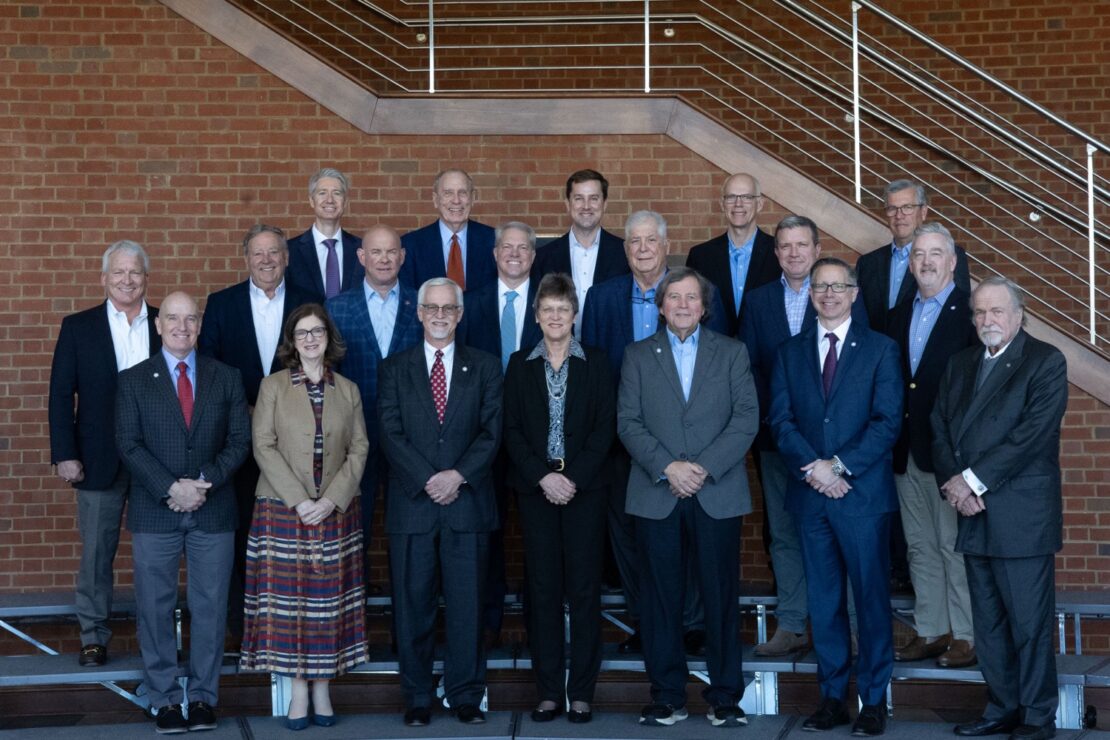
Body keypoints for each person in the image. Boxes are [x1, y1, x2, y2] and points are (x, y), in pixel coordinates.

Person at [581, 210, 727, 656]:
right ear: (625, 250)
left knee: (690, 535)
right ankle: (648, 622)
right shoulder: (602, 297)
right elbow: (592, 366)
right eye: (634, 242)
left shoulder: (698, 292)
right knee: (630, 537)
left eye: (651, 241)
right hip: (625, 439)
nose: (643, 249)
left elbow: (716, 367)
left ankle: (693, 624)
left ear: (666, 246)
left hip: (689, 446)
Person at [618, 266, 758, 728]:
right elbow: (628, 423)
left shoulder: (732, 352)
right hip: (657, 490)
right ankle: (668, 695)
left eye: (691, 298)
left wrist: (701, 469)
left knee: (720, 596)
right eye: (673, 297)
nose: (682, 305)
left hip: (715, 489)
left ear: (704, 306)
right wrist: (668, 468)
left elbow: (745, 420)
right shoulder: (637, 355)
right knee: (660, 598)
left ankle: (725, 698)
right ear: (660, 306)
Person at [769, 258, 902, 736]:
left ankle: (872, 701)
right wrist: (815, 470)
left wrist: (838, 466)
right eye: (820, 287)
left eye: (837, 286)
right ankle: (832, 698)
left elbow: (888, 421)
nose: (828, 294)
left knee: (868, 600)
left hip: (861, 495)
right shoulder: (790, 351)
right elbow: (781, 421)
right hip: (812, 496)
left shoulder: (881, 350)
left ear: (853, 293)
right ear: (810, 295)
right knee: (823, 604)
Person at [933, 277, 1068, 740]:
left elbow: (1029, 436)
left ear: (1018, 315)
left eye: (996, 312)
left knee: (1029, 624)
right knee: (988, 623)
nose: (986, 320)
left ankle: (1036, 716)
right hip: (972, 510)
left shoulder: (1045, 361)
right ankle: (1001, 707)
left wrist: (970, 480)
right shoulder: (961, 364)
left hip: (1020, 514)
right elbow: (940, 427)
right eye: (979, 313)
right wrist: (955, 484)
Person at [115, 291, 251, 734]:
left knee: (210, 607)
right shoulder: (134, 380)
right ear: (158, 324)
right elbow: (128, 443)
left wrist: (202, 484)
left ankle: (205, 697)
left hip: (213, 510)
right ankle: (165, 699)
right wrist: (170, 487)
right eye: (172, 318)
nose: (181, 327)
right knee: (154, 608)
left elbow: (239, 441)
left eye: (190, 320)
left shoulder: (226, 377)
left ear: (199, 325)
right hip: (156, 511)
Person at [378, 277, 503, 727]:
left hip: (466, 503)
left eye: (448, 308)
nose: (439, 315)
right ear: (417, 312)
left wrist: (457, 476)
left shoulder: (486, 367)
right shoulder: (394, 368)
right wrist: (429, 478)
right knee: (413, 607)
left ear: (460, 314)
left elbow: (492, 432)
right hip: (413, 505)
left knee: (467, 606)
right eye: (431, 307)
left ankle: (466, 694)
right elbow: (390, 433)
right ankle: (416, 697)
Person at [239, 303, 370, 730]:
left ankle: (322, 688)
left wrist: (332, 500)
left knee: (328, 604)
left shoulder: (347, 389)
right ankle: (298, 689)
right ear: (292, 342)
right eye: (302, 333)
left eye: (317, 332)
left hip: (335, 511)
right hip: (282, 509)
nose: (310, 339)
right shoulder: (273, 386)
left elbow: (360, 448)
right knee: (290, 608)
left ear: (329, 338)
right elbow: (263, 445)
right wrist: (299, 501)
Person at [503, 273, 615, 725]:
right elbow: (510, 430)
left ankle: (582, 692)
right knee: (544, 590)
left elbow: (605, 427)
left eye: (562, 310)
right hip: (536, 492)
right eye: (547, 310)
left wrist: (573, 478)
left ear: (574, 316)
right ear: (536, 316)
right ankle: (550, 691)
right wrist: (543, 478)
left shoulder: (599, 362)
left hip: (585, 491)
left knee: (585, 590)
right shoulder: (518, 364)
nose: (555, 316)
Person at [198, 224, 314, 642]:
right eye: (257, 253)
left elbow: (321, 363)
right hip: (238, 441)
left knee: (293, 533)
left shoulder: (307, 301)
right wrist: (247, 412)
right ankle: (242, 630)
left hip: (295, 443)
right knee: (242, 534)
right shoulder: (222, 304)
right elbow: (208, 370)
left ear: (286, 257)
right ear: (245, 258)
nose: (266, 261)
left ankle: (290, 629)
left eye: (274, 253)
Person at [48, 240, 160, 668]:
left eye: (135, 273)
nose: (127, 280)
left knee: (158, 552)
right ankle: (93, 636)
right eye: (119, 273)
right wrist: (65, 453)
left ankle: (157, 635)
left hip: (157, 460)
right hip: (96, 459)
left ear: (146, 279)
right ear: (104, 279)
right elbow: (61, 395)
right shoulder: (79, 327)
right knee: (96, 553)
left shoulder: (165, 322)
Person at [887, 223, 979, 669]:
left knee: (952, 546)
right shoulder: (898, 313)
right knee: (919, 545)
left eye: (935, 254)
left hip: (951, 457)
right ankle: (932, 628)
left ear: (953, 261)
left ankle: (965, 633)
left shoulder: (969, 316)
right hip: (906, 452)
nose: (925, 261)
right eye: (918, 254)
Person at [457, 221, 543, 647]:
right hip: (482, 438)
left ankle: (536, 627)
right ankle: (487, 625)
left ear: (533, 254)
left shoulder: (550, 304)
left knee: (536, 535)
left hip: (537, 439)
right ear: (494, 254)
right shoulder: (469, 305)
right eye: (506, 247)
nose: (514, 254)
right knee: (486, 535)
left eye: (522, 248)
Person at [325, 225, 422, 574]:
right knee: (354, 525)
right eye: (376, 252)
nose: (384, 259)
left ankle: (410, 610)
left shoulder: (421, 305)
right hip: (354, 436)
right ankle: (353, 607)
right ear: (362, 257)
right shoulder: (336, 308)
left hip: (412, 437)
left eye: (391, 252)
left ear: (402, 256)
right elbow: (328, 375)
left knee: (412, 527)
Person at [855, 179, 971, 335]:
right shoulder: (867, 263)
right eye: (892, 209)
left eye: (907, 208)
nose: (899, 215)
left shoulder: (949, 256)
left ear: (923, 212)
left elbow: (960, 311)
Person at [531, 169, 628, 336]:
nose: (586, 206)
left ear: (605, 204)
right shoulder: (543, 257)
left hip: (609, 355)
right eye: (578, 199)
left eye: (594, 198)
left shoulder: (625, 253)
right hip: (558, 354)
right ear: (568, 204)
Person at [685, 173, 781, 337]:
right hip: (715, 356)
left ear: (760, 204)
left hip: (766, 357)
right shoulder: (700, 256)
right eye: (731, 197)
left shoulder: (779, 253)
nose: (738, 204)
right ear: (722, 204)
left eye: (747, 197)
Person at [400, 169, 496, 292]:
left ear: (472, 198)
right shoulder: (411, 245)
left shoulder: (494, 241)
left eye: (462, 193)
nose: (456, 200)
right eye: (448, 193)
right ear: (435, 200)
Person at [286, 167, 365, 302]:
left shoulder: (362, 248)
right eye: (322, 193)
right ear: (312, 200)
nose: (330, 200)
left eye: (337, 193)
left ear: (345, 202)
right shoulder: (290, 250)